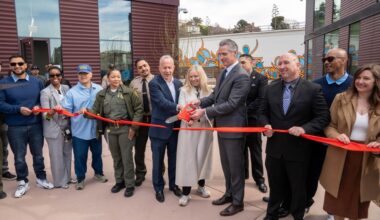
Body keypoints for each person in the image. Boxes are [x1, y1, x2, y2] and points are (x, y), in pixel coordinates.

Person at [258, 53, 330, 220]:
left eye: (286, 63)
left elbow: (323, 117)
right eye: (279, 63)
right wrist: (265, 126)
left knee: (298, 188)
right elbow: (262, 113)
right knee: (275, 186)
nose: (281, 66)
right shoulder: (270, 88)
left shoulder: (312, 89)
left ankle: (297, 215)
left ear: (298, 65)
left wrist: (304, 128)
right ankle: (271, 214)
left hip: (299, 150)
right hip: (275, 149)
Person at [191, 39, 250, 216]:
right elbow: (216, 96)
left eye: (224, 54)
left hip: (234, 129)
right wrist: (200, 101)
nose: (221, 57)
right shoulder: (223, 73)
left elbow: (231, 104)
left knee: (236, 168)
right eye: (219, 54)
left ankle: (238, 202)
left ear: (235, 54)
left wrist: (204, 112)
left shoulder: (241, 75)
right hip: (223, 128)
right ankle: (229, 194)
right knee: (226, 166)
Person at [320, 64, 380, 220]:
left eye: (366, 78)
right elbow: (329, 125)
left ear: (376, 82)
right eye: (358, 77)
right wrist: (336, 136)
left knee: (358, 205)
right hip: (341, 156)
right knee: (338, 204)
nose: (360, 81)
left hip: (366, 160)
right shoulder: (341, 99)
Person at [0, 55, 54, 198]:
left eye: (20, 63)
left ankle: (41, 178)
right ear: (10, 66)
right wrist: (18, 109)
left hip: (35, 125)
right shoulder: (4, 83)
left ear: (25, 65)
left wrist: (38, 106)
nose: (17, 66)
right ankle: (22, 181)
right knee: (19, 157)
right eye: (13, 64)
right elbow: (1, 104)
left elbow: (42, 100)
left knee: (38, 155)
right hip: (15, 127)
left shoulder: (37, 82)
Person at [86, 69, 143, 197]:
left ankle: (129, 184)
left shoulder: (129, 92)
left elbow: (139, 110)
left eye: (118, 77)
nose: (116, 79)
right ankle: (119, 181)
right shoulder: (102, 94)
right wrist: (86, 112)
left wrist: (134, 128)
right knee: (116, 158)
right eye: (113, 77)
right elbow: (95, 111)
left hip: (125, 129)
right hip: (110, 130)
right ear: (108, 78)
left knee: (126, 157)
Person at [58, 64, 107, 190]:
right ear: (77, 76)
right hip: (79, 131)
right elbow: (66, 111)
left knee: (97, 154)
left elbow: (105, 106)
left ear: (91, 75)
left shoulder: (99, 89)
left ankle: (98, 173)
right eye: (80, 74)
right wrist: (60, 109)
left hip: (96, 130)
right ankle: (80, 178)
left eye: (86, 73)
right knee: (80, 156)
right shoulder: (72, 92)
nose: (83, 76)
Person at [176, 65, 214, 207]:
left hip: (204, 128)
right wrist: (188, 118)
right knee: (189, 159)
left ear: (201, 76)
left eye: (196, 76)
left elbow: (212, 108)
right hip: (189, 130)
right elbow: (181, 107)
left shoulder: (209, 90)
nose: (193, 79)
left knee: (202, 157)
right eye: (191, 76)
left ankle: (201, 186)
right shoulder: (184, 90)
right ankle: (186, 192)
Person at [149, 55, 183, 203]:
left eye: (170, 67)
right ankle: (158, 188)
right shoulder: (154, 83)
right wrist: (178, 107)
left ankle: (174, 185)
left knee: (174, 159)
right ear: (159, 68)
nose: (167, 70)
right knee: (158, 161)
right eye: (164, 67)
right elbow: (161, 102)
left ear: (173, 68)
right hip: (159, 129)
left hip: (175, 129)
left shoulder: (179, 83)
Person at [239, 54, 268, 193]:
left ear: (251, 63)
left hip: (253, 120)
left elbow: (261, 99)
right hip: (238, 121)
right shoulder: (238, 78)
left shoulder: (261, 78)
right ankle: (243, 175)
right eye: (239, 63)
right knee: (241, 148)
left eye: (243, 62)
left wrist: (243, 110)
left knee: (255, 150)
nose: (241, 65)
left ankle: (259, 179)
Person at [40, 66, 73, 189]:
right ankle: (59, 182)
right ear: (49, 77)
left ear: (61, 76)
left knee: (67, 153)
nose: (55, 78)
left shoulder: (66, 88)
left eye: (57, 75)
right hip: (54, 129)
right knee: (56, 156)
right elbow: (45, 116)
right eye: (52, 76)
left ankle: (68, 178)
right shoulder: (45, 92)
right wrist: (52, 111)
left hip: (66, 126)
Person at [129, 58, 154, 186]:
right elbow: (130, 104)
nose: (143, 69)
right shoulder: (133, 83)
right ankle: (140, 173)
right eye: (140, 67)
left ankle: (159, 174)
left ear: (149, 66)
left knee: (157, 149)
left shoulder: (157, 80)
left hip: (155, 119)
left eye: (145, 65)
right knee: (139, 150)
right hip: (141, 120)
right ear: (137, 70)